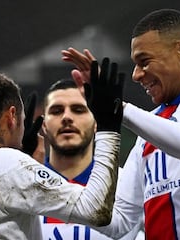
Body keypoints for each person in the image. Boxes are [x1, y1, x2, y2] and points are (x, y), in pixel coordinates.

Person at [61, 8, 180, 239]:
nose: (136, 74)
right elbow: (120, 222)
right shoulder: (149, 127)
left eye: (144, 62)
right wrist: (47, 190)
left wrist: (118, 108)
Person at [0, 68, 125, 239]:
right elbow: (96, 210)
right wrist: (108, 129)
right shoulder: (8, 165)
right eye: (23, 119)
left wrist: (24, 161)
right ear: (11, 116)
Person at [40, 78, 144, 239]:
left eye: (78, 110)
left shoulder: (127, 184)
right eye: (56, 111)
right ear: (44, 125)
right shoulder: (25, 184)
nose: (67, 117)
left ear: (96, 122)